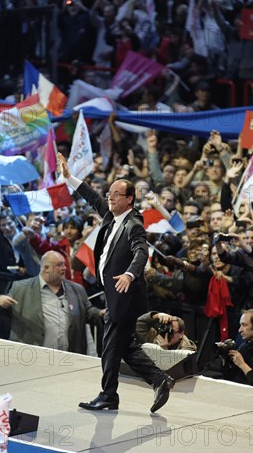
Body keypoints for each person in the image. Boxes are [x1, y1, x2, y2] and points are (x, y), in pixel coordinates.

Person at [58, 152, 174, 413]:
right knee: (123, 346)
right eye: (109, 193)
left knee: (110, 346)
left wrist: (130, 274)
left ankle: (109, 394)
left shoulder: (133, 223)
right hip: (116, 295)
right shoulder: (111, 216)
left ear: (129, 199)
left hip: (126, 296)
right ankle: (158, 379)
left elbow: (141, 252)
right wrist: (69, 177)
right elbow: (92, 196)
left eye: (116, 194)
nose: (110, 196)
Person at [0, 251, 103, 354]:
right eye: (59, 265)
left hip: (69, 357)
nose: (64, 268)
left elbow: (88, 312)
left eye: (64, 264)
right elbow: (1, 306)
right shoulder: (21, 288)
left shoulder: (77, 289)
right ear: (46, 268)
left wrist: (100, 313)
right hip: (31, 356)